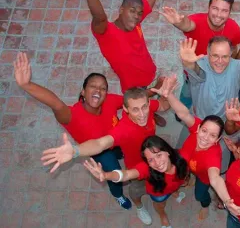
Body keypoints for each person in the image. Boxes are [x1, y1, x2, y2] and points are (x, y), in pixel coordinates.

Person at [40, 83, 173, 225]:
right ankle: (139, 207)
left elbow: (163, 106)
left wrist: (167, 93)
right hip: (136, 166)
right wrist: (75, 150)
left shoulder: (148, 106)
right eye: (135, 110)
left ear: (147, 103)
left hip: (154, 159)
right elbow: (100, 144)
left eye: (144, 107)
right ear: (126, 109)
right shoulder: (123, 129)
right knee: (136, 191)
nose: (142, 114)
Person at [13, 52, 131, 209]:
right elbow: (55, 103)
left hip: (114, 140)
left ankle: (118, 152)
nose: (98, 90)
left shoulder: (110, 100)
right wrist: (27, 85)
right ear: (83, 91)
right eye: (93, 86)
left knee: (120, 150)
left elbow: (130, 99)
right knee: (114, 170)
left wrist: (153, 92)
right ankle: (118, 195)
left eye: (103, 88)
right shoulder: (72, 115)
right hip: (99, 151)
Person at [65, 0, 168, 126]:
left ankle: (152, 108)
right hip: (133, 86)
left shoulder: (135, 22)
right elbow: (99, 17)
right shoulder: (107, 34)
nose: (136, 16)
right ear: (121, 10)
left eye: (139, 13)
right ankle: (151, 113)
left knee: (149, 99)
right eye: (132, 11)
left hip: (150, 73)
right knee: (140, 104)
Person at [151, 75, 240, 220]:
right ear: (198, 127)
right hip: (188, 167)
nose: (205, 137)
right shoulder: (195, 129)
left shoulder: (213, 155)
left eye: (212, 135)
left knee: (200, 195)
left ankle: (205, 206)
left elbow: (215, 179)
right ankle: (188, 178)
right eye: (204, 131)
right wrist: (169, 95)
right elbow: (183, 113)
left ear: (218, 139)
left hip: (203, 178)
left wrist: (228, 201)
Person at [176, 36, 240, 172]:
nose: (220, 61)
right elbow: (196, 70)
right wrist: (188, 63)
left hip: (225, 125)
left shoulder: (236, 66)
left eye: (225, 57)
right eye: (215, 56)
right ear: (207, 52)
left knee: (220, 164)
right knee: (183, 156)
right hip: (199, 123)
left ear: (230, 54)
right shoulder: (200, 63)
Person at [160, 0, 240, 119]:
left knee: (210, 97)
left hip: (217, 74)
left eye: (224, 11)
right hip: (193, 73)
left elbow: (234, 47)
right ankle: (181, 111)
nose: (218, 14)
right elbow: (187, 24)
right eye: (215, 8)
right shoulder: (197, 21)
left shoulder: (234, 28)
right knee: (187, 93)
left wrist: (229, 67)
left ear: (230, 12)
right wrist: (179, 22)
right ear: (208, 7)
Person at [83, 135, 188, 228]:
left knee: (174, 188)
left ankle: (174, 193)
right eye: (150, 160)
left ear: (168, 151)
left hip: (174, 186)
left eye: (159, 155)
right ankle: (162, 215)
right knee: (160, 203)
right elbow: (127, 174)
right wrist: (106, 175)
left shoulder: (182, 157)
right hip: (159, 192)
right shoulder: (147, 169)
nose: (157, 163)